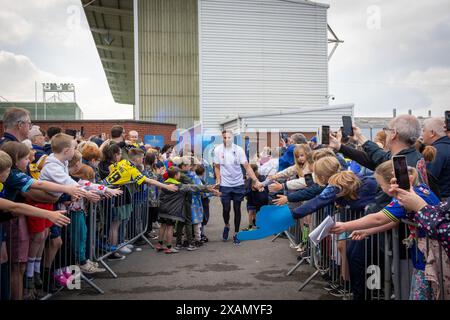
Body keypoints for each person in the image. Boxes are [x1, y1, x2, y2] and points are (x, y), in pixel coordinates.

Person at [213, 130, 263, 245]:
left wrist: (256, 180)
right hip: (225, 185)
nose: (226, 139)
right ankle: (227, 225)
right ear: (222, 138)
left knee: (237, 209)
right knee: (226, 209)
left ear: (233, 138)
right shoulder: (218, 150)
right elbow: (216, 167)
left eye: (229, 137)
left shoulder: (239, 150)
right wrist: (218, 180)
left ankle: (236, 233)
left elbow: (247, 167)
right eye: (224, 137)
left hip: (238, 184)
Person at [156, 167, 217, 253]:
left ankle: (159, 244)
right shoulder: (178, 186)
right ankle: (169, 247)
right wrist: (207, 188)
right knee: (170, 227)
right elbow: (192, 187)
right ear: (176, 176)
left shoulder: (164, 184)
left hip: (162, 209)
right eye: (179, 174)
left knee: (162, 226)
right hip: (171, 211)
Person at [422, 117, 450, 198]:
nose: (422, 134)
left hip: (441, 201)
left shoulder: (435, 152)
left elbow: (426, 181)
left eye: (424, 130)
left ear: (432, 133)